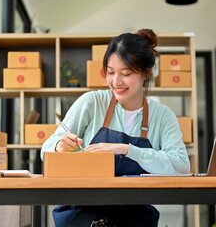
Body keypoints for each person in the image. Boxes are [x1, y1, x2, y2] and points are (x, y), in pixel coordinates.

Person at [41, 29, 190, 227]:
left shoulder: (162, 116)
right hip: (82, 210)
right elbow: (46, 150)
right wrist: (60, 146)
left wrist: (128, 150)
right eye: (110, 72)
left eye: (126, 74)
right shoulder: (91, 102)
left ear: (147, 72)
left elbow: (181, 167)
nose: (116, 82)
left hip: (134, 212)